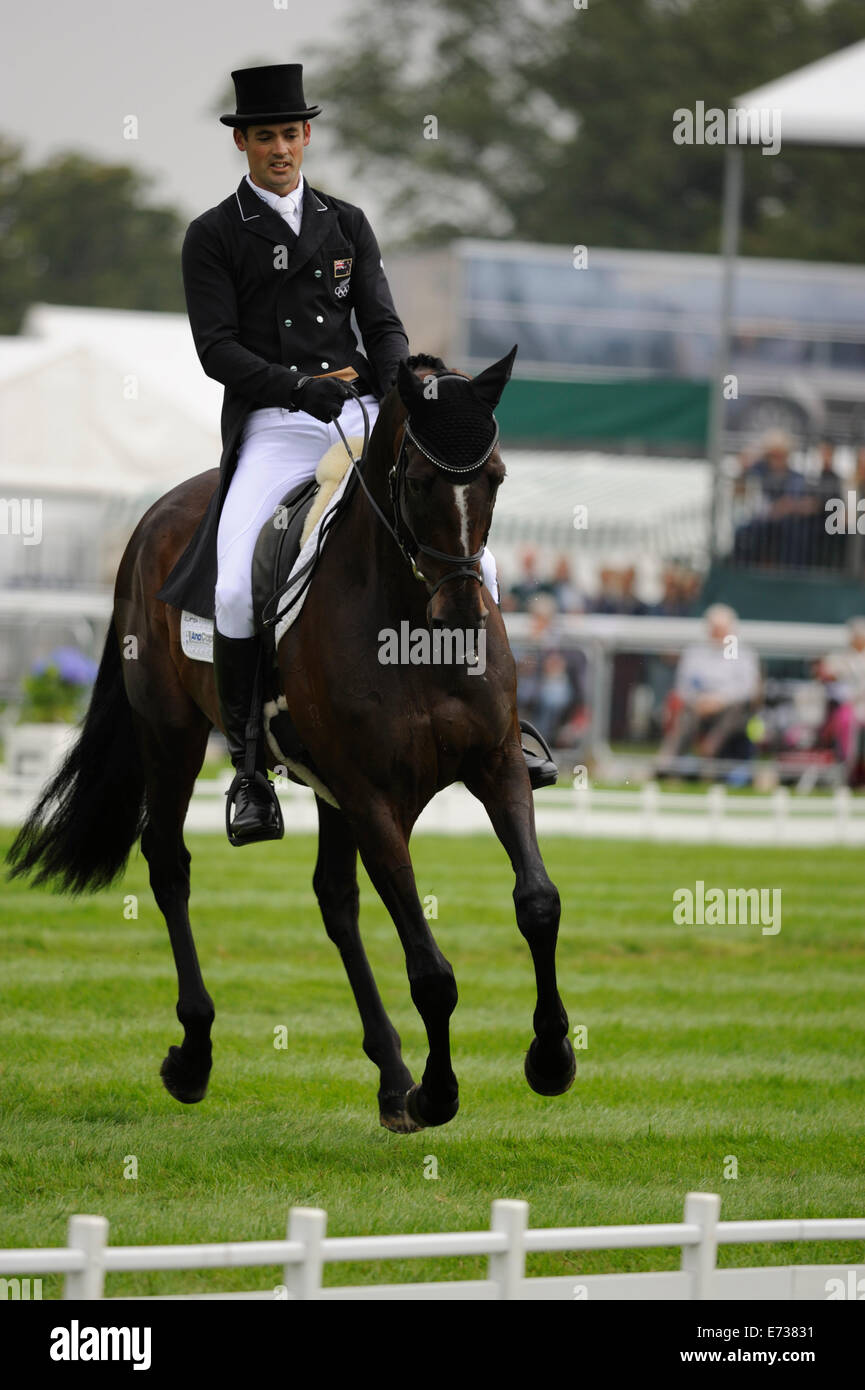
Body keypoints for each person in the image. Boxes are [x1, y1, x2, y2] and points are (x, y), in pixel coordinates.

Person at [157, 65, 525, 844]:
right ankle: (252, 772)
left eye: (290, 134)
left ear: (307, 137)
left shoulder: (347, 224)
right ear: (243, 143)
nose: (280, 148)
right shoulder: (214, 235)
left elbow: (382, 325)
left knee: (478, 565)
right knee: (230, 588)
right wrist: (294, 386)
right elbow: (216, 349)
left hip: (359, 412)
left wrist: (407, 386)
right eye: (265, 136)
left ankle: (503, 729)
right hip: (273, 423)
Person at [657, 604, 760, 771]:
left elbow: (747, 688)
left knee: (733, 713)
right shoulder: (696, 650)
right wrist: (700, 701)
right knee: (685, 717)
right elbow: (683, 685)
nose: (717, 633)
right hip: (697, 706)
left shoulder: (738, 651)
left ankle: (710, 755)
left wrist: (719, 701)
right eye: (714, 628)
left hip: (729, 707)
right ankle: (666, 764)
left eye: (721, 628)